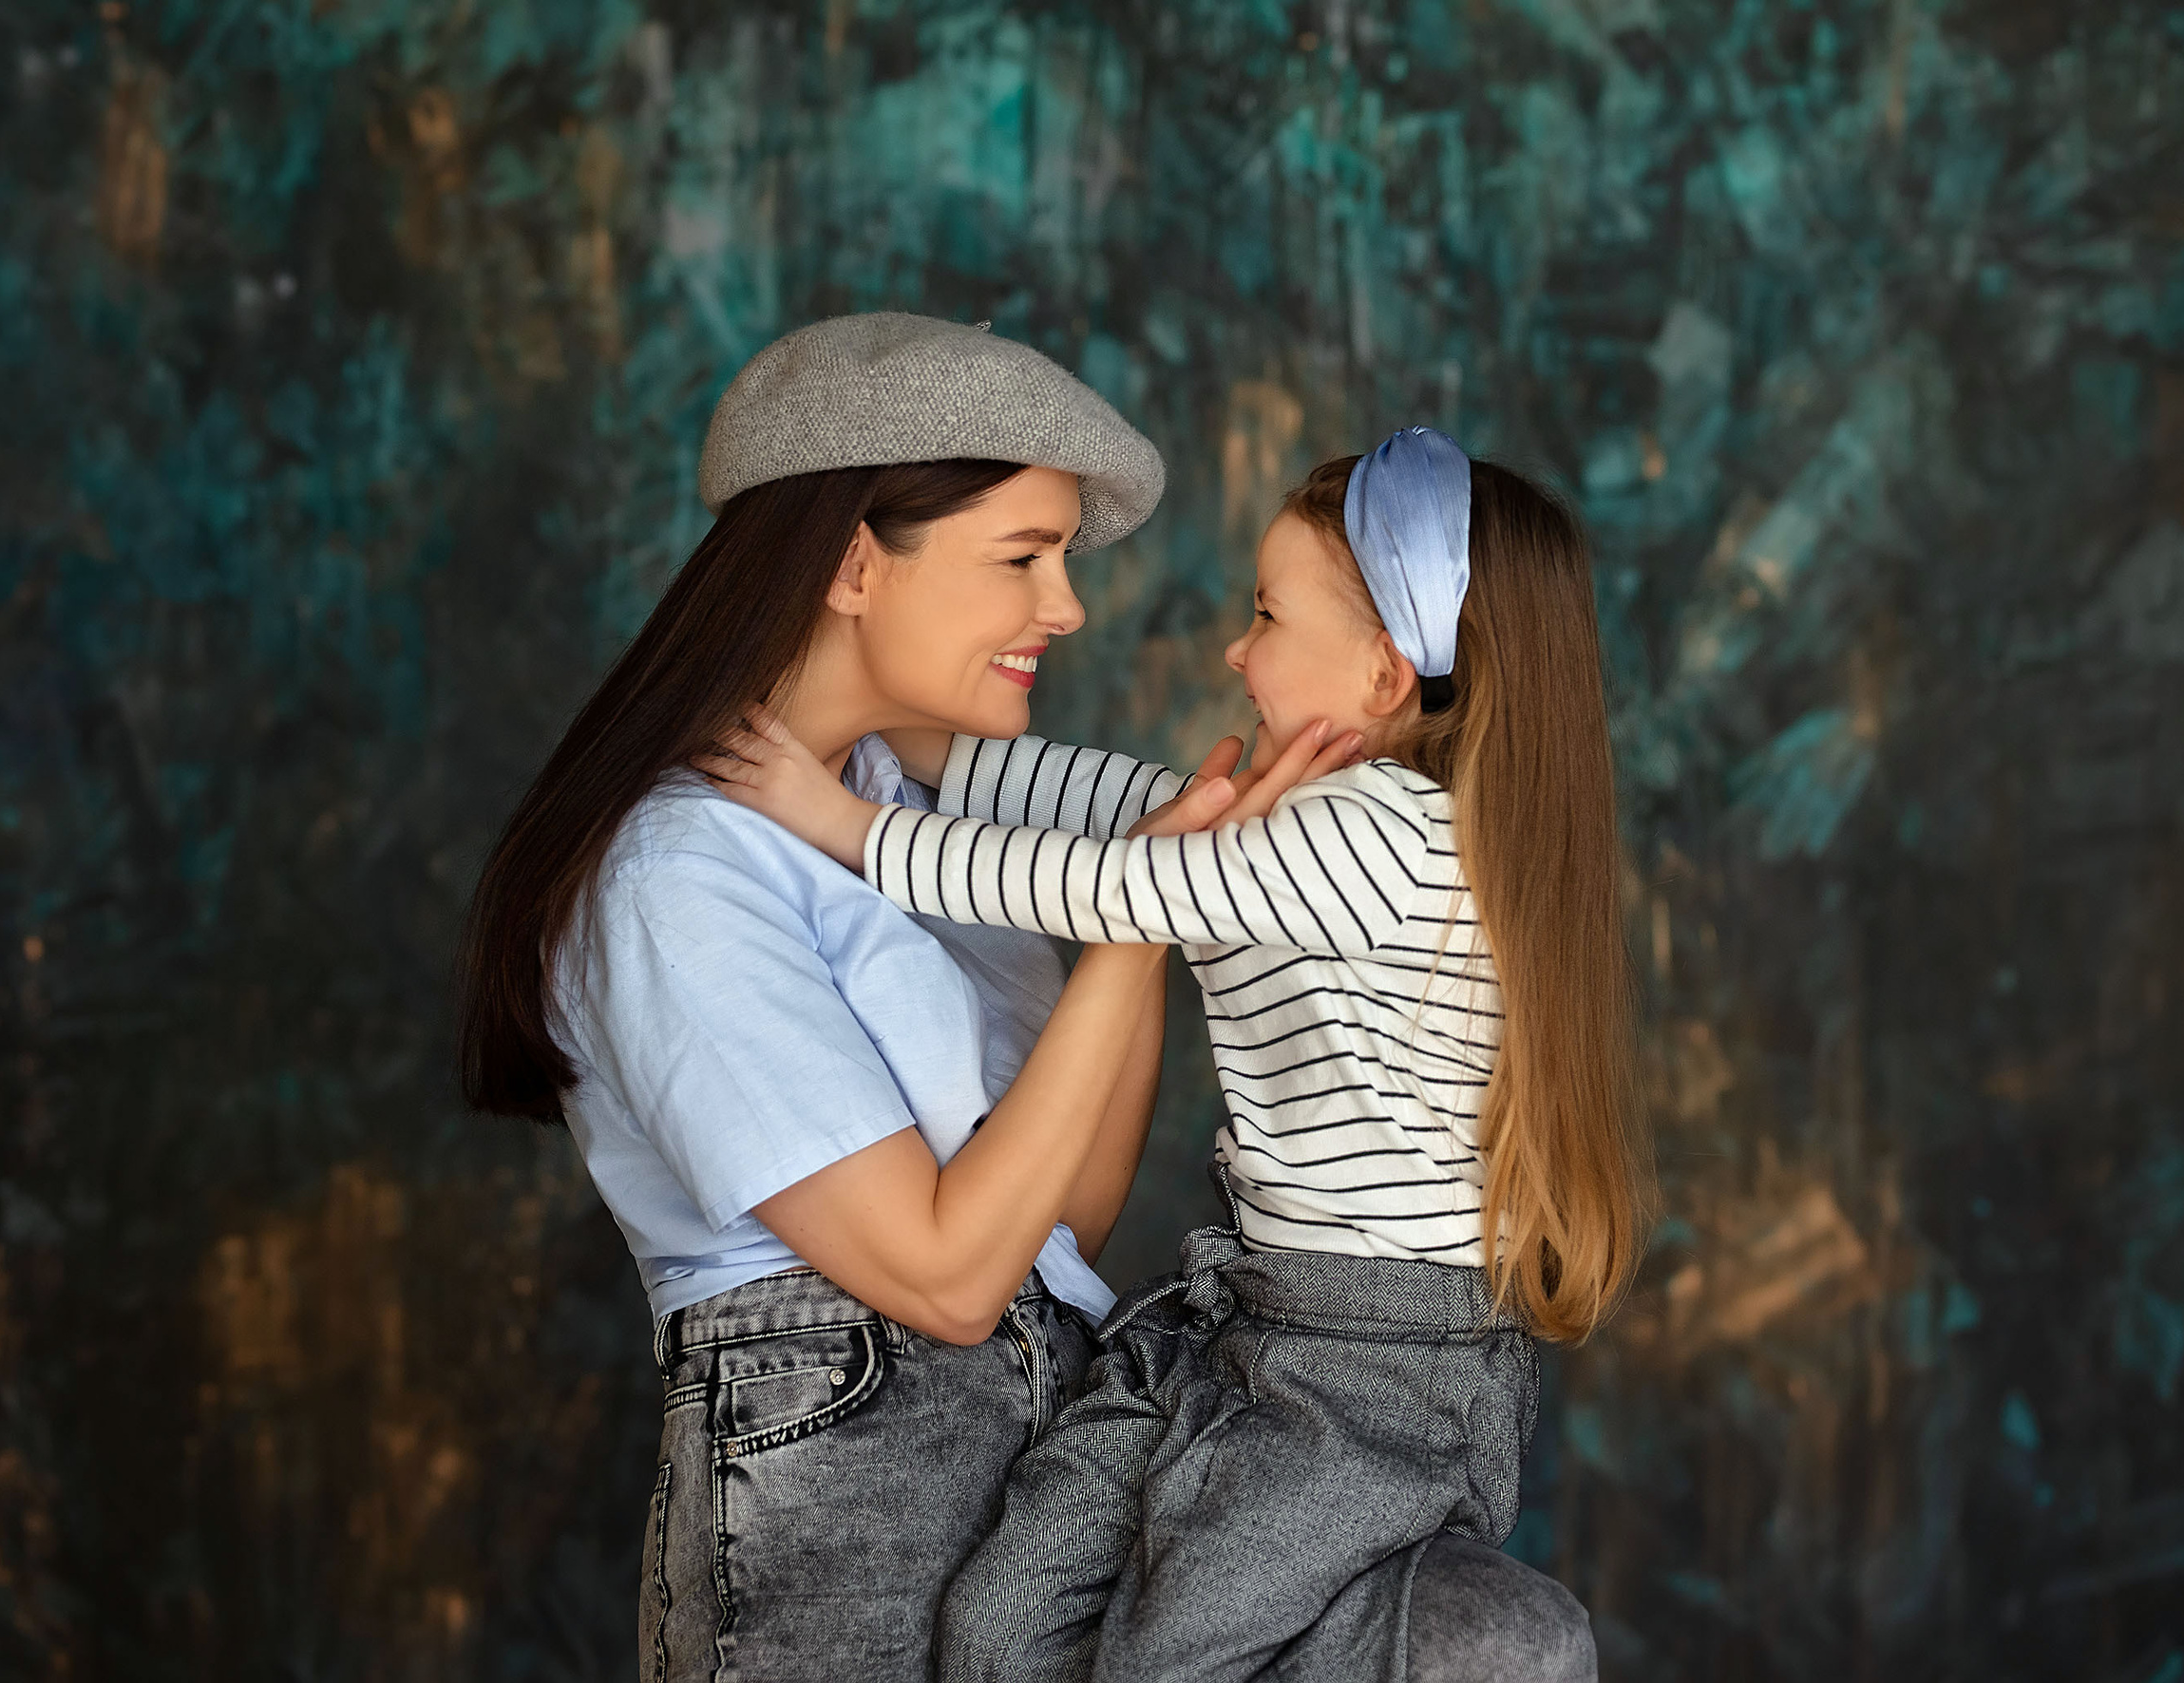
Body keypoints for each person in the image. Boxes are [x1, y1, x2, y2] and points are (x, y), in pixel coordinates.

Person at [456, 313, 1597, 1682]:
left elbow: (1063, 1209)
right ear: (850, 562)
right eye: (1024, 557)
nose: (1068, 606)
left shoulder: (917, 818)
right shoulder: (680, 866)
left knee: (1465, 1639)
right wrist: (1149, 900)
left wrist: (1152, 890)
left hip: (1044, 1430)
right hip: (847, 1504)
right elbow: (946, 1272)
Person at [706, 426, 1649, 1681]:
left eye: (1267, 615)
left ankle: (1483, 1640)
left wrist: (841, 819)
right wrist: (884, 728)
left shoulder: (1383, 836)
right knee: (1001, 1629)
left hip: (1373, 1373)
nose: (1236, 649)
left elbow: (1109, 880)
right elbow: (1095, 802)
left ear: (1381, 672)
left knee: (1175, 1659)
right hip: (1244, 1319)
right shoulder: (1309, 819)